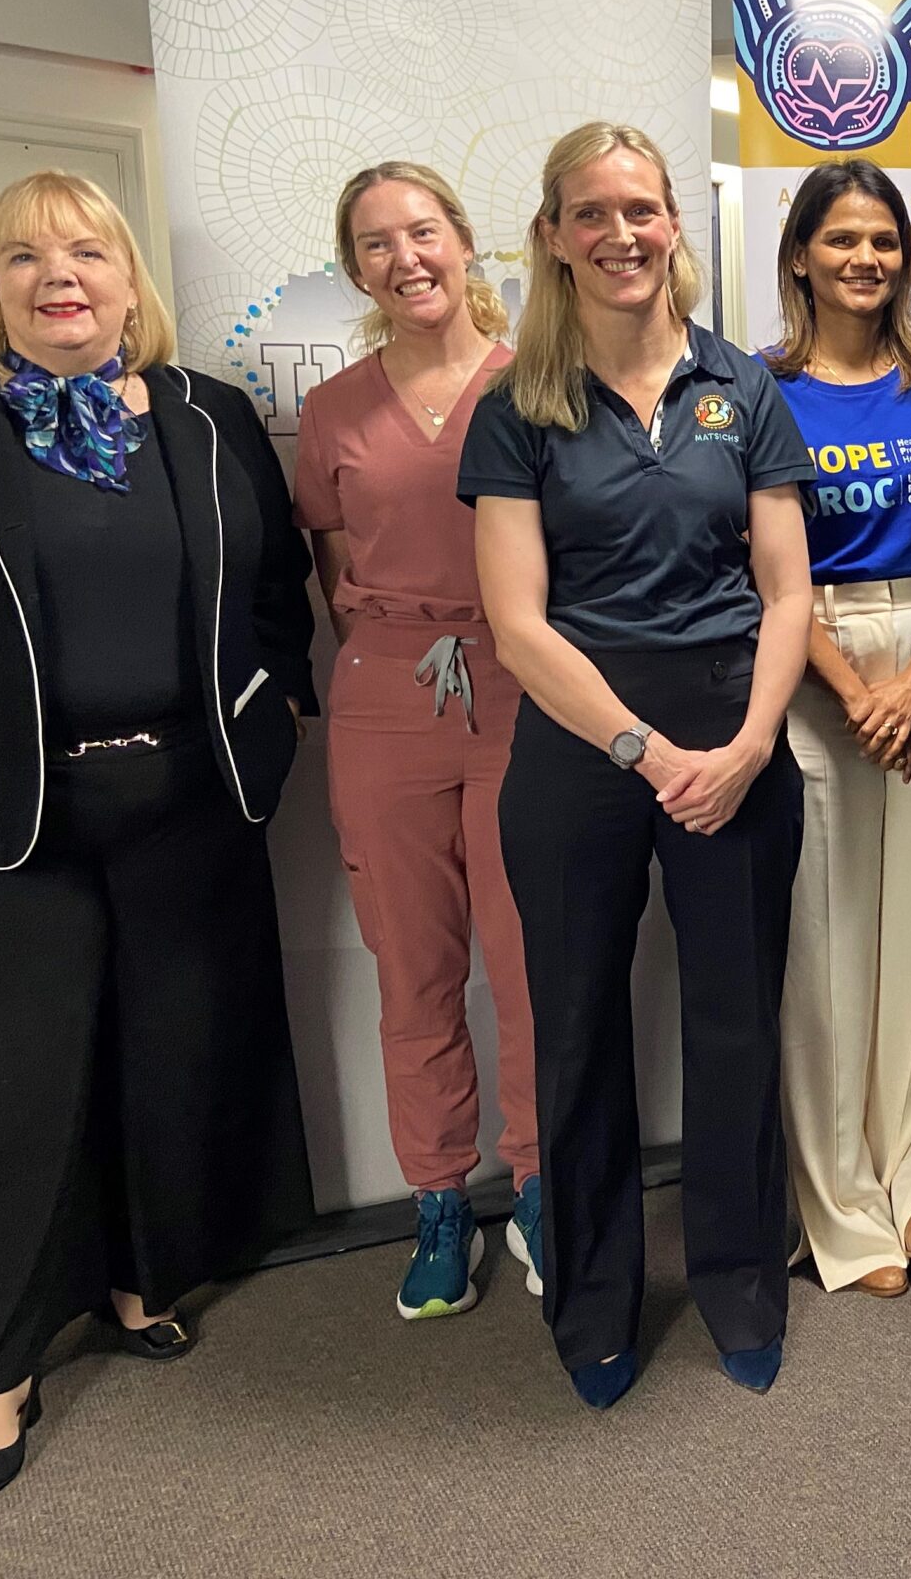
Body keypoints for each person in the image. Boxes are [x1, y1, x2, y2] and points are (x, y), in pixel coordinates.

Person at [0, 171, 317, 1500]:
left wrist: (271, 713)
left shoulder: (207, 418)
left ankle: (139, 1279)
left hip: (185, 810)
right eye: (25, 255)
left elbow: (273, 587)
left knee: (163, 1058)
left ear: (130, 278)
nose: (58, 274)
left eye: (86, 249)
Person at [460, 122, 814, 1408]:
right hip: (579, 748)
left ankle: (737, 1285)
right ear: (552, 234)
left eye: (643, 209)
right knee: (577, 1034)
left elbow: (786, 591)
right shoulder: (518, 404)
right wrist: (646, 752)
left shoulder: (742, 387)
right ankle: (595, 1302)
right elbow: (516, 623)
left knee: (733, 1024)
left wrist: (753, 743)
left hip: (737, 734)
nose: (621, 234)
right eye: (591, 213)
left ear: (676, 225)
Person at [295, 162, 538, 1321]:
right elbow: (332, 567)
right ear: (356, 271)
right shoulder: (338, 410)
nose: (407, 258)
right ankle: (440, 1198)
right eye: (378, 244)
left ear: (464, 242)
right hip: (386, 699)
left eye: (424, 232)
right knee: (415, 966)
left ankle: (541, 1186)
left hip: (522, 684)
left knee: (533, 957)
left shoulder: (534, 382)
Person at [761, 161, 911, 1299]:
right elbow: (758, 571)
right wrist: (851, 686)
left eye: (884, 240)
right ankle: (839, 1199)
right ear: (800, 255)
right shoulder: (758, 390)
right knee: (826, 948)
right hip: (811, 662)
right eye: (841, 239)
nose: (865, 259)